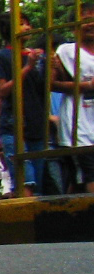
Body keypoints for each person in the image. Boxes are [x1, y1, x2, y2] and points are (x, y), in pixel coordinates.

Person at [0, 22, 59, 198]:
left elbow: (47, 87)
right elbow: (2, 91)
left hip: (37, 125)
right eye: (21, 24)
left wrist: (52, 67)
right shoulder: (2, 56)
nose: (27, 27)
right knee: (26, 184)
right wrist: (27, 67)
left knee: (38, 185)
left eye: (28, 24)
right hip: (14, 125)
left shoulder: (38, 56)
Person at [51, 16, 94, 194]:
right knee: (88, 176)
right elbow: (51, 83)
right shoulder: (67, 51)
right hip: (78, 127)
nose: (91, 24)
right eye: (85, 19)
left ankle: (64, 219)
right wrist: (87, 86)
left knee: (77, 183)